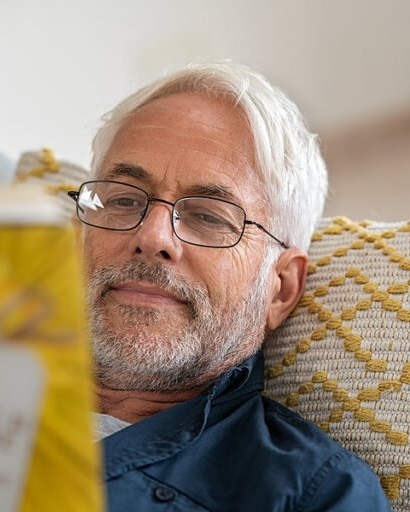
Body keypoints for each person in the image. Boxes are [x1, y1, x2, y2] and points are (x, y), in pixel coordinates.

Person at [71, 60, 391, 511]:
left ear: (280, 289)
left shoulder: (312, 493)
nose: (152, 237)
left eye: (208, 217)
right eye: (123, 199)